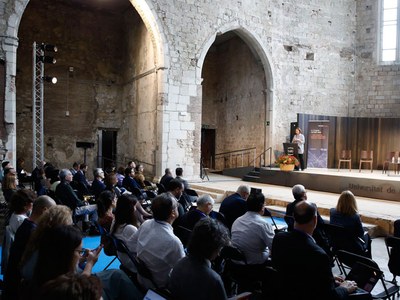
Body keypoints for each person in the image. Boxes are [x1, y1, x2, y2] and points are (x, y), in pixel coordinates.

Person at [272, 201, 357, 300]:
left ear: (294, 217)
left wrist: (327, 278)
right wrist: (344, 288)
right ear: (315, 220)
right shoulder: (319, 255)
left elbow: (294, 272)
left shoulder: (279, 238)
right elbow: (329, 297)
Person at [3, 195, 56, 300]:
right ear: (45, 210)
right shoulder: (33, 232)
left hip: (14, 280)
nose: (52, 216)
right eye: (52, 212)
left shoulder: (27, 225)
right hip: (21, 286)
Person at [132, 193, 185, 289]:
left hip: (141, 278)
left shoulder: (146, 223)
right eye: (177, 206)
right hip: (158, 287)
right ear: (173, 213)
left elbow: (133, 242)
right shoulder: (174, 242)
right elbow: (183, 271)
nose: (178, 206)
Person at [169, 218, 230, 300]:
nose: (219, 253)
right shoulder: (213, 279)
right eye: (219, 248)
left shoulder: (179, 264)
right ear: (213, 248)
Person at [285, 184, 330, 257]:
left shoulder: (289, 206)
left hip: (293, 235)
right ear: (303, 194)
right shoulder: (311, 206)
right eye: (305, 192)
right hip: (312, 238)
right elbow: (320, 223)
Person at [231, 191, 274, 266]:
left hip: (234, 262)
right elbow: (274, 247)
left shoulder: (237, 220)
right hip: (253, 265)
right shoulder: (263, 224)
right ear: (262, 206)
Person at [330, 190, 372, 257]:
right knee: (368, 237)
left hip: (336, 245)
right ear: (353, 202)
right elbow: (360, 234)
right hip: (352, 248)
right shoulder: (355, 216)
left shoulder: (332, 212)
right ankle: (368, 262)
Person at [110, 194, 139, 273]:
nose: (135, 209)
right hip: (134, 264)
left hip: (124, 259)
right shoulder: (130, 228)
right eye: (134, 206)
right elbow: (141, 250)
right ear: (130, 209)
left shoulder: (115, 222)